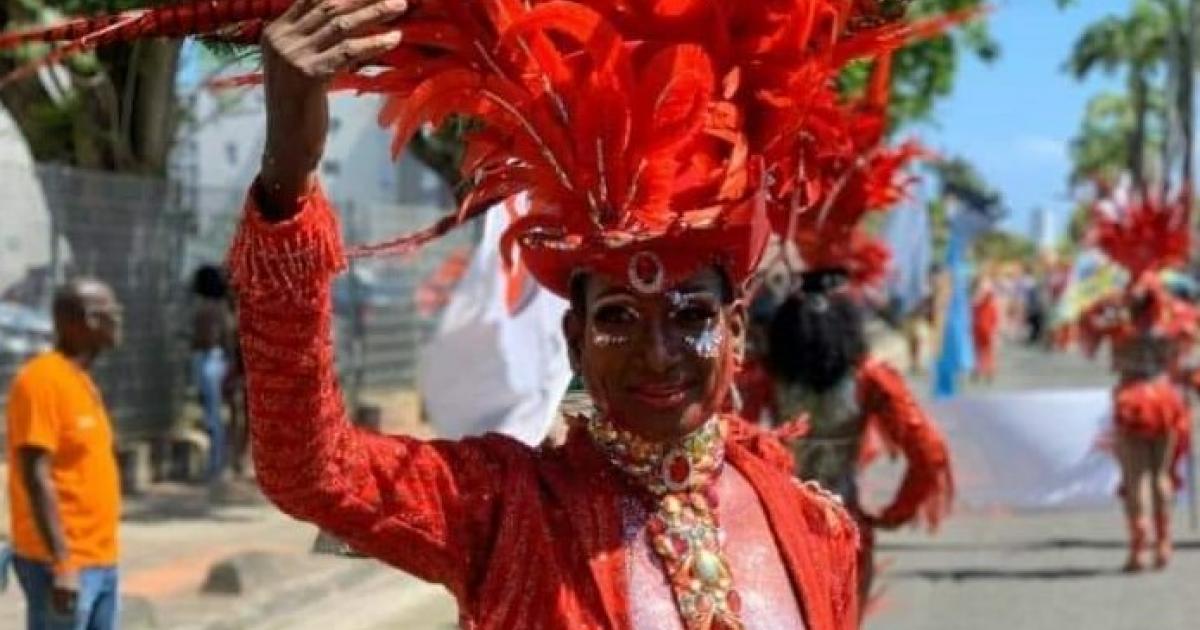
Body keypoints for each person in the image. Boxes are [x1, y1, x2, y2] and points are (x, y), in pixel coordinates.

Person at [1078, 191, 1196, 571]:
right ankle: (1164, 544)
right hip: (1164, 396)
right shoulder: (1175, 316)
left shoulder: (1117, 316)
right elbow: (1186, 353)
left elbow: (1087, 337)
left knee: (1135, 477)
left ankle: (1138, 546)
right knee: (1161, 475)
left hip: (1131, 396)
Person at [5, 278, 123, 630]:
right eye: (110, 313)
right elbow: (35, 475)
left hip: (101, 559)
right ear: (86, 319)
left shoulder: (80, 381)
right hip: (63, 566)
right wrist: (63, 563)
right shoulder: (41, 381)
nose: (118, 320)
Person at [190, 265, 236, 482]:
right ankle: (216, 462)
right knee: (212, 413)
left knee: (212, 415)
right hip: (213, 359)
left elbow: (209, 338)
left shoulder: (208, 309)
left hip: (207, 359)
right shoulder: (222, 309)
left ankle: (215, 464)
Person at [971, 270, 1000, 383]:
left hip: (981, 325)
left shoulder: (978, 297)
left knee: (981, 350)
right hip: (984, 325)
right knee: (986, 350)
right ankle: (986, 371)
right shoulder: (988, 296)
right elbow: (995, 312)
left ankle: (982, 370)